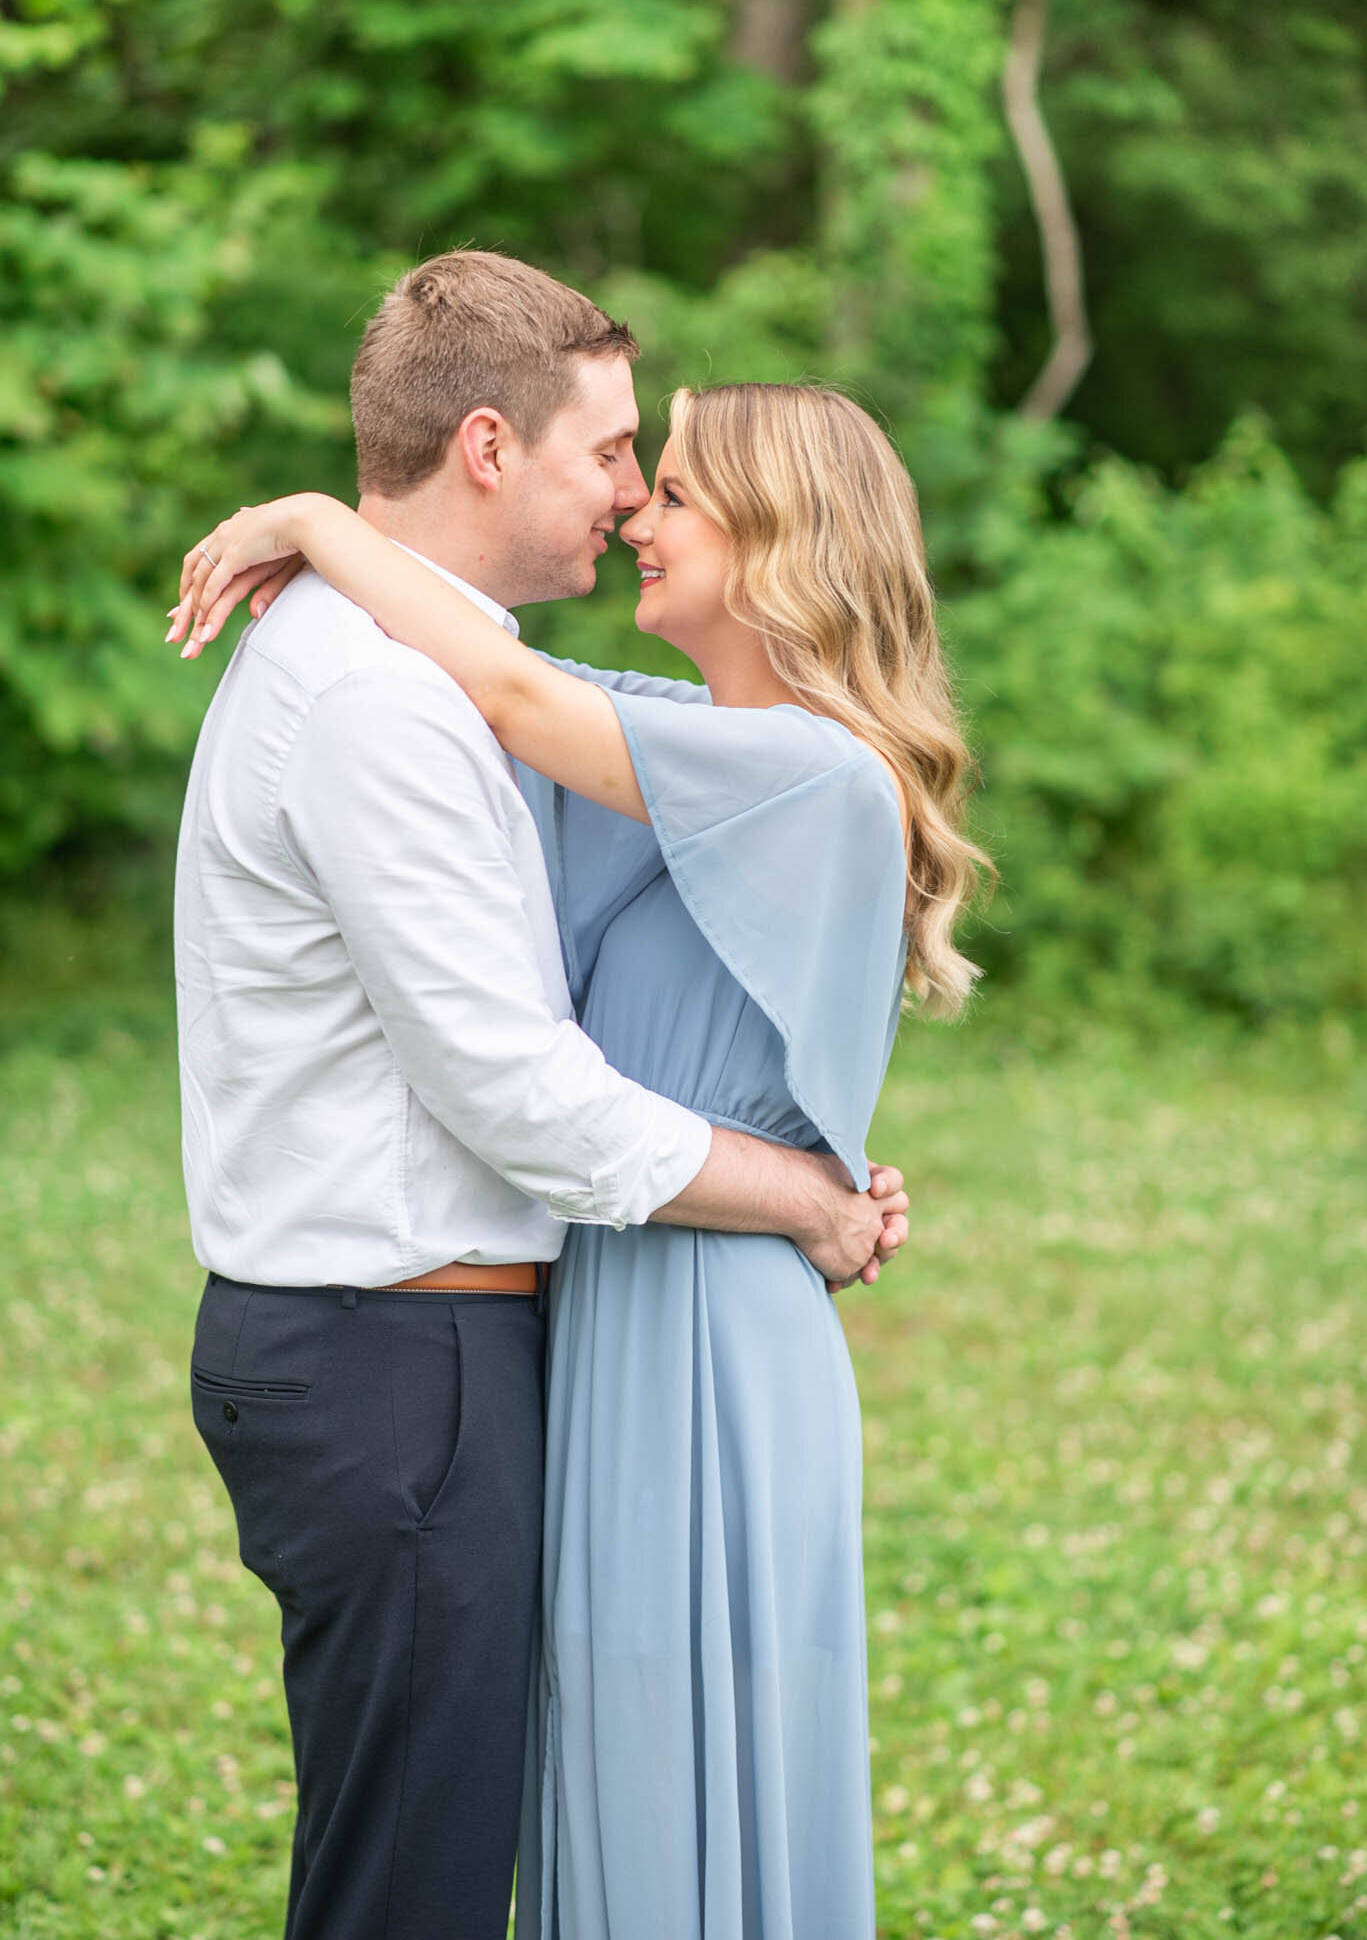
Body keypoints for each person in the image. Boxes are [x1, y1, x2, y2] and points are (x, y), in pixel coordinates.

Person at [174, 370, 987, 1938]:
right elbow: (501, 676)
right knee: (605, 1789)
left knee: (676, 1778)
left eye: (673, 490)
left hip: (705, 1334)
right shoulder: (691, 738)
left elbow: (509, 694)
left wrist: (313, 520)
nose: (635, 511)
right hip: (615, 1302)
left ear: (782, 541)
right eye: (636, 472)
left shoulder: (813, 773)